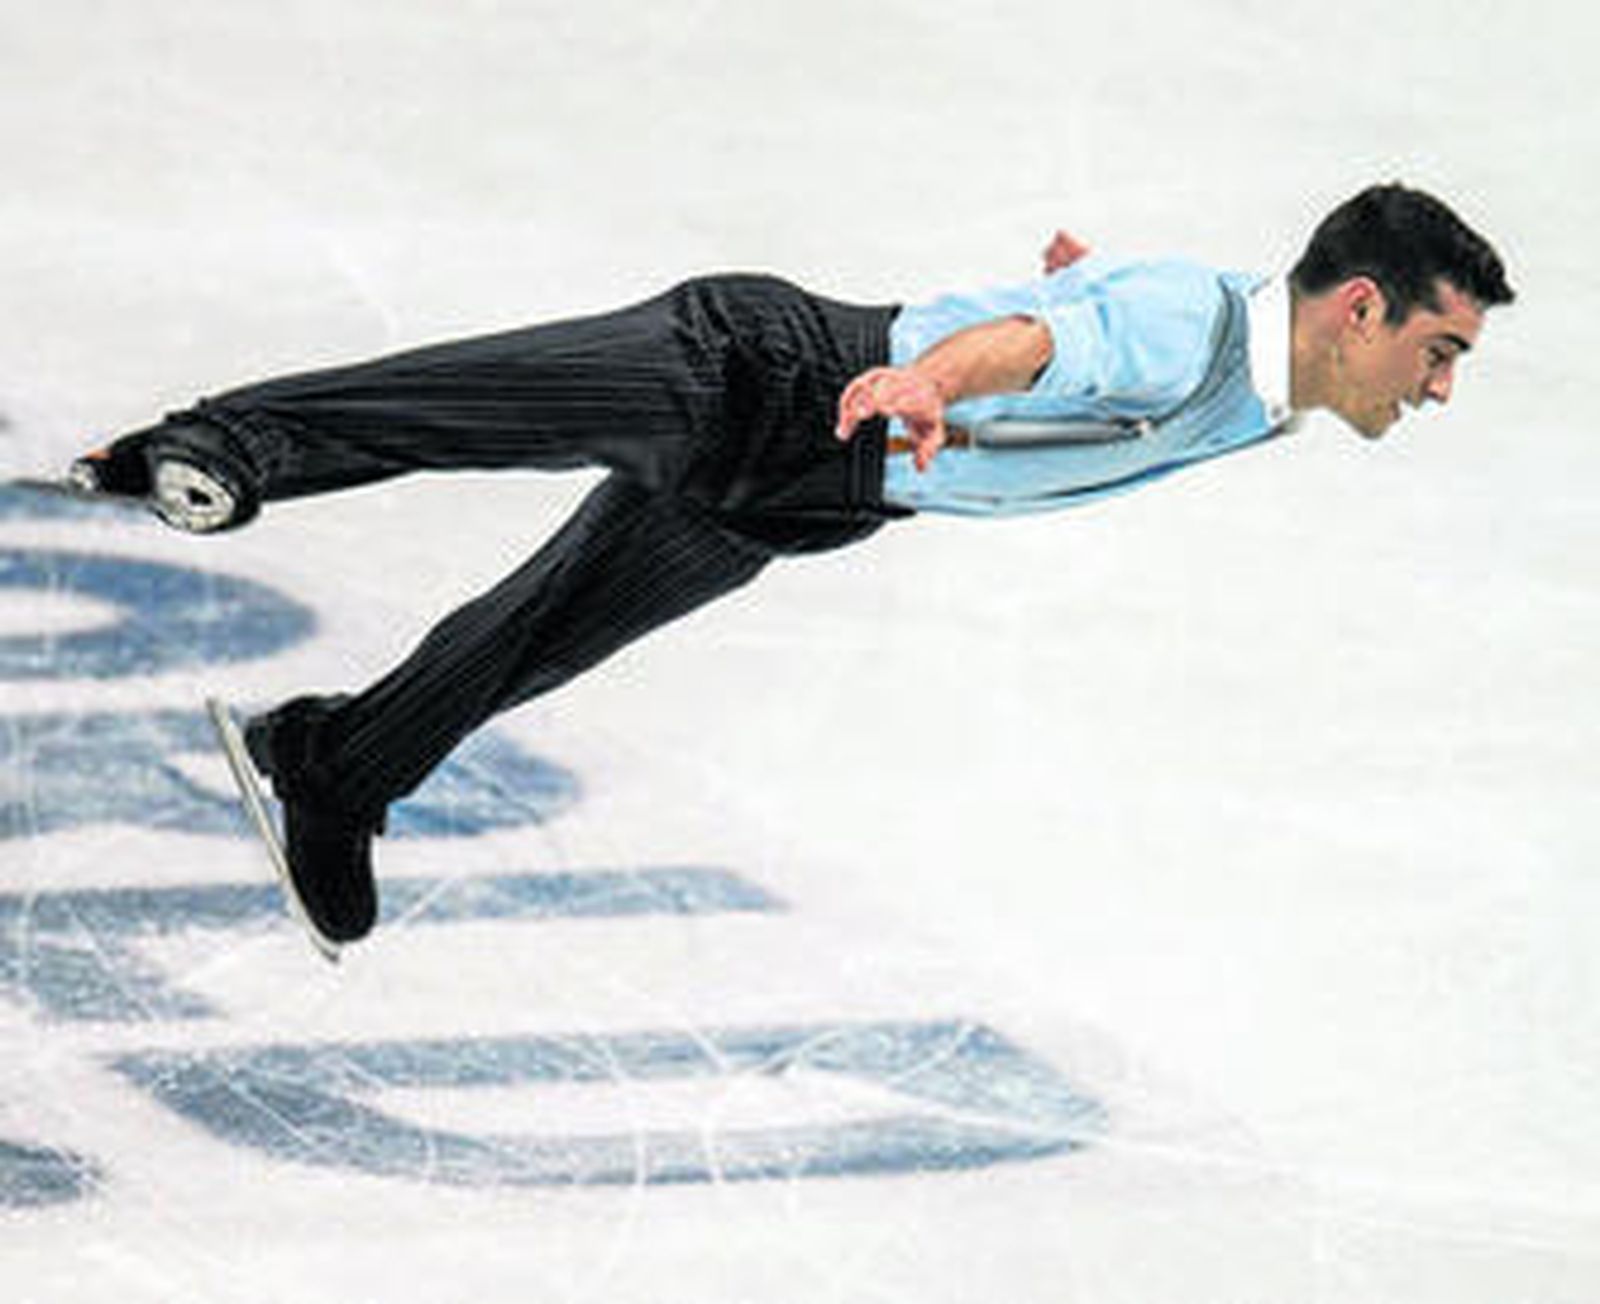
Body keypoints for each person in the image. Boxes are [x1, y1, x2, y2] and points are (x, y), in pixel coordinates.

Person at [69, 182, 1514, 950]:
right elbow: (1037, 347)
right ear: (1365, 307)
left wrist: (1066, 281)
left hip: (819, 487)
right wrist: (938, 376)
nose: (1440, 389)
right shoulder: (1197, 325)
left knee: (543, 633)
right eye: (1438, 353)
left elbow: (1076, 317)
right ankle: (220, 449)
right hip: (774, 379)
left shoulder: (1250, 371)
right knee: (479, 407)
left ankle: (333, 769)